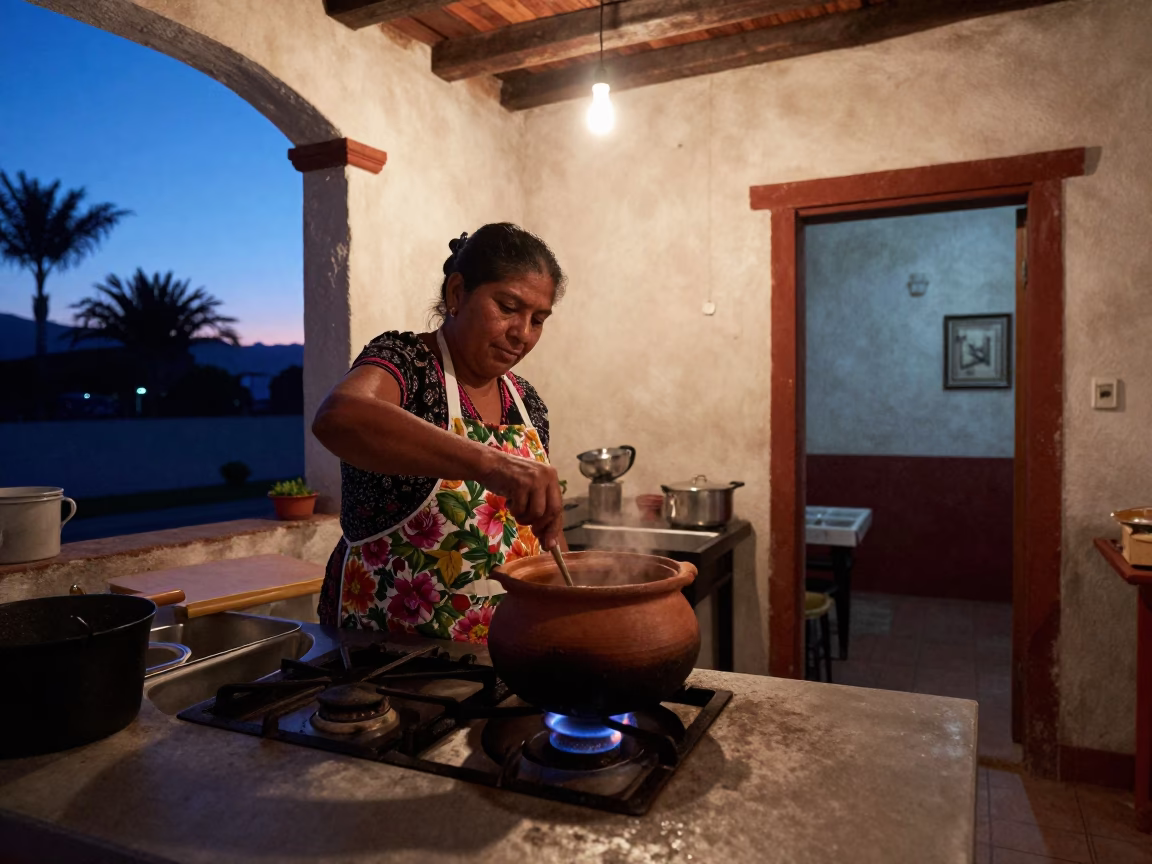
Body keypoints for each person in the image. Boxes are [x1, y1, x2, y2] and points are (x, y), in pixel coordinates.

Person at [311, 223, 566, 643]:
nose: (523, 333)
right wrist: (491, 464)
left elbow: (542, 538)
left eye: (538, 319)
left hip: (499, 655)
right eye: (507, 307)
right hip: (383, 658)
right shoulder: (407, 363)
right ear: (456, 293)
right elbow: (338, 416)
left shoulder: (527, 402)